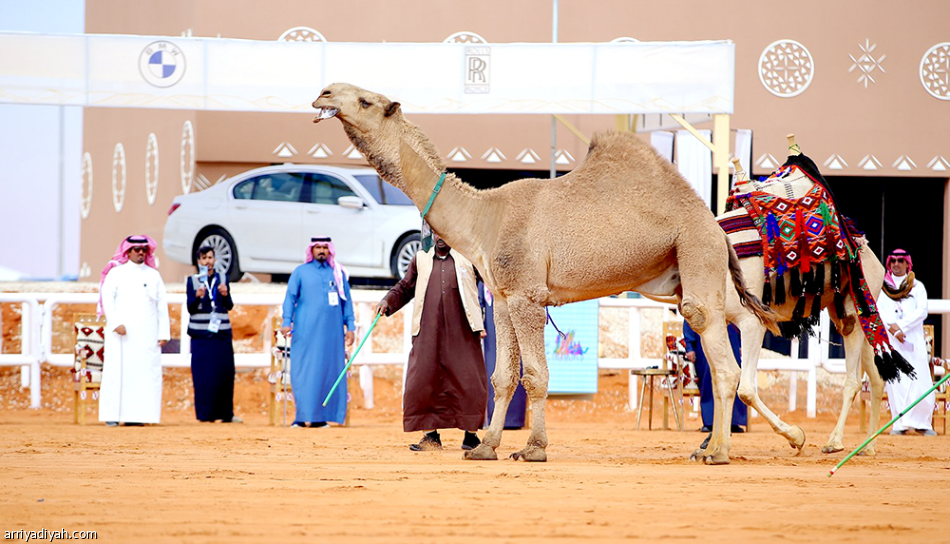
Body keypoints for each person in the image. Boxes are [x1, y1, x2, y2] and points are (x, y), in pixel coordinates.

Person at [377, 233, 488, 451]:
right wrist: (387, 300)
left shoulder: (469, 258)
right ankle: (430, 437)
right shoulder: (420, 259)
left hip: (463, 332)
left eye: (444, 232)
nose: (440, 237)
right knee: (423, 380)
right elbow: (404, 287)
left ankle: (471, 437)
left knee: (469, 381)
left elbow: (493, 278)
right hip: (428, 331)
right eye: (436, 233)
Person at [281, 237, 355, 428]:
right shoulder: (300, 272)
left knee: (328, 373)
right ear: (311, 250)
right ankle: (301, 417)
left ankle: (321, 418)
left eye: (325, 247)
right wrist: (286, 321)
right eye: (318, 247)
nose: (321, 250)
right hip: (305, 333)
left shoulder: (337, 273)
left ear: (329, 250)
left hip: (331, 335)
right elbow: (290, 298)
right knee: (304, 373)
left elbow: (347, 302)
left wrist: (351, 327)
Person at [97, 235, 170, 426]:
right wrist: (116, 323)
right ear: (127, 251)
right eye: (136, 249)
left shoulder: (154, 275)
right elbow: (107, 299)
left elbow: (162, 306)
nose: (140, 252)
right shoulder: (116, 273)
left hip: (147, 336)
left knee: (145, 375)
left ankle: (139, 417)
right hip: (121, 335)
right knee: (117, 374)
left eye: (143, 249)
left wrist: (163, 333)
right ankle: (113, 415)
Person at [877, 249, 936, 436]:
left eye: (900, 260)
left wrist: (901, 327)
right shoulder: (883, 288)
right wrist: (894, 330)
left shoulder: (917, 287)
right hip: (893, 342)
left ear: (907, 263)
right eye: (893, 260)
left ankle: (922, 423)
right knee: (897, 382)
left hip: (914, 340)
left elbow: (922, 311)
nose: (896, 263)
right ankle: (900, 424)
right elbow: (879, 310)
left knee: (921, 381)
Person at [186, 246, 241, 423]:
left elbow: (229, 305)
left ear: (215, 260)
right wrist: (197, 296)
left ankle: (226, 414)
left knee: (224, 373)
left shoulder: (223, 278)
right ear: (198, 261)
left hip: (221, 333)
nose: (207, 261)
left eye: (210, 257)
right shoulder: (192, 281)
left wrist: (225, 295)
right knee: (203, 376)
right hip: (201, 335)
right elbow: (190, 308)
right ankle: (205, 415)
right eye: (204, 258)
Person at [683, 320, 747, 433]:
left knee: (734, 377)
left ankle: (733, 422)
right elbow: (689, 318)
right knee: (708, 377)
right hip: (706, 342)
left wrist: (741, 344)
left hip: (731, 340)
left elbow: (739, 319)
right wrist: (690, 347)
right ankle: (710, 422)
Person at [480, 282, 527, 429]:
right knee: (494, 367)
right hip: (492, 324)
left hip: (518, 319)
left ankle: (514, 419)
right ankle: (495, 418)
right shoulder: (485, 279)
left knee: (515, 365)